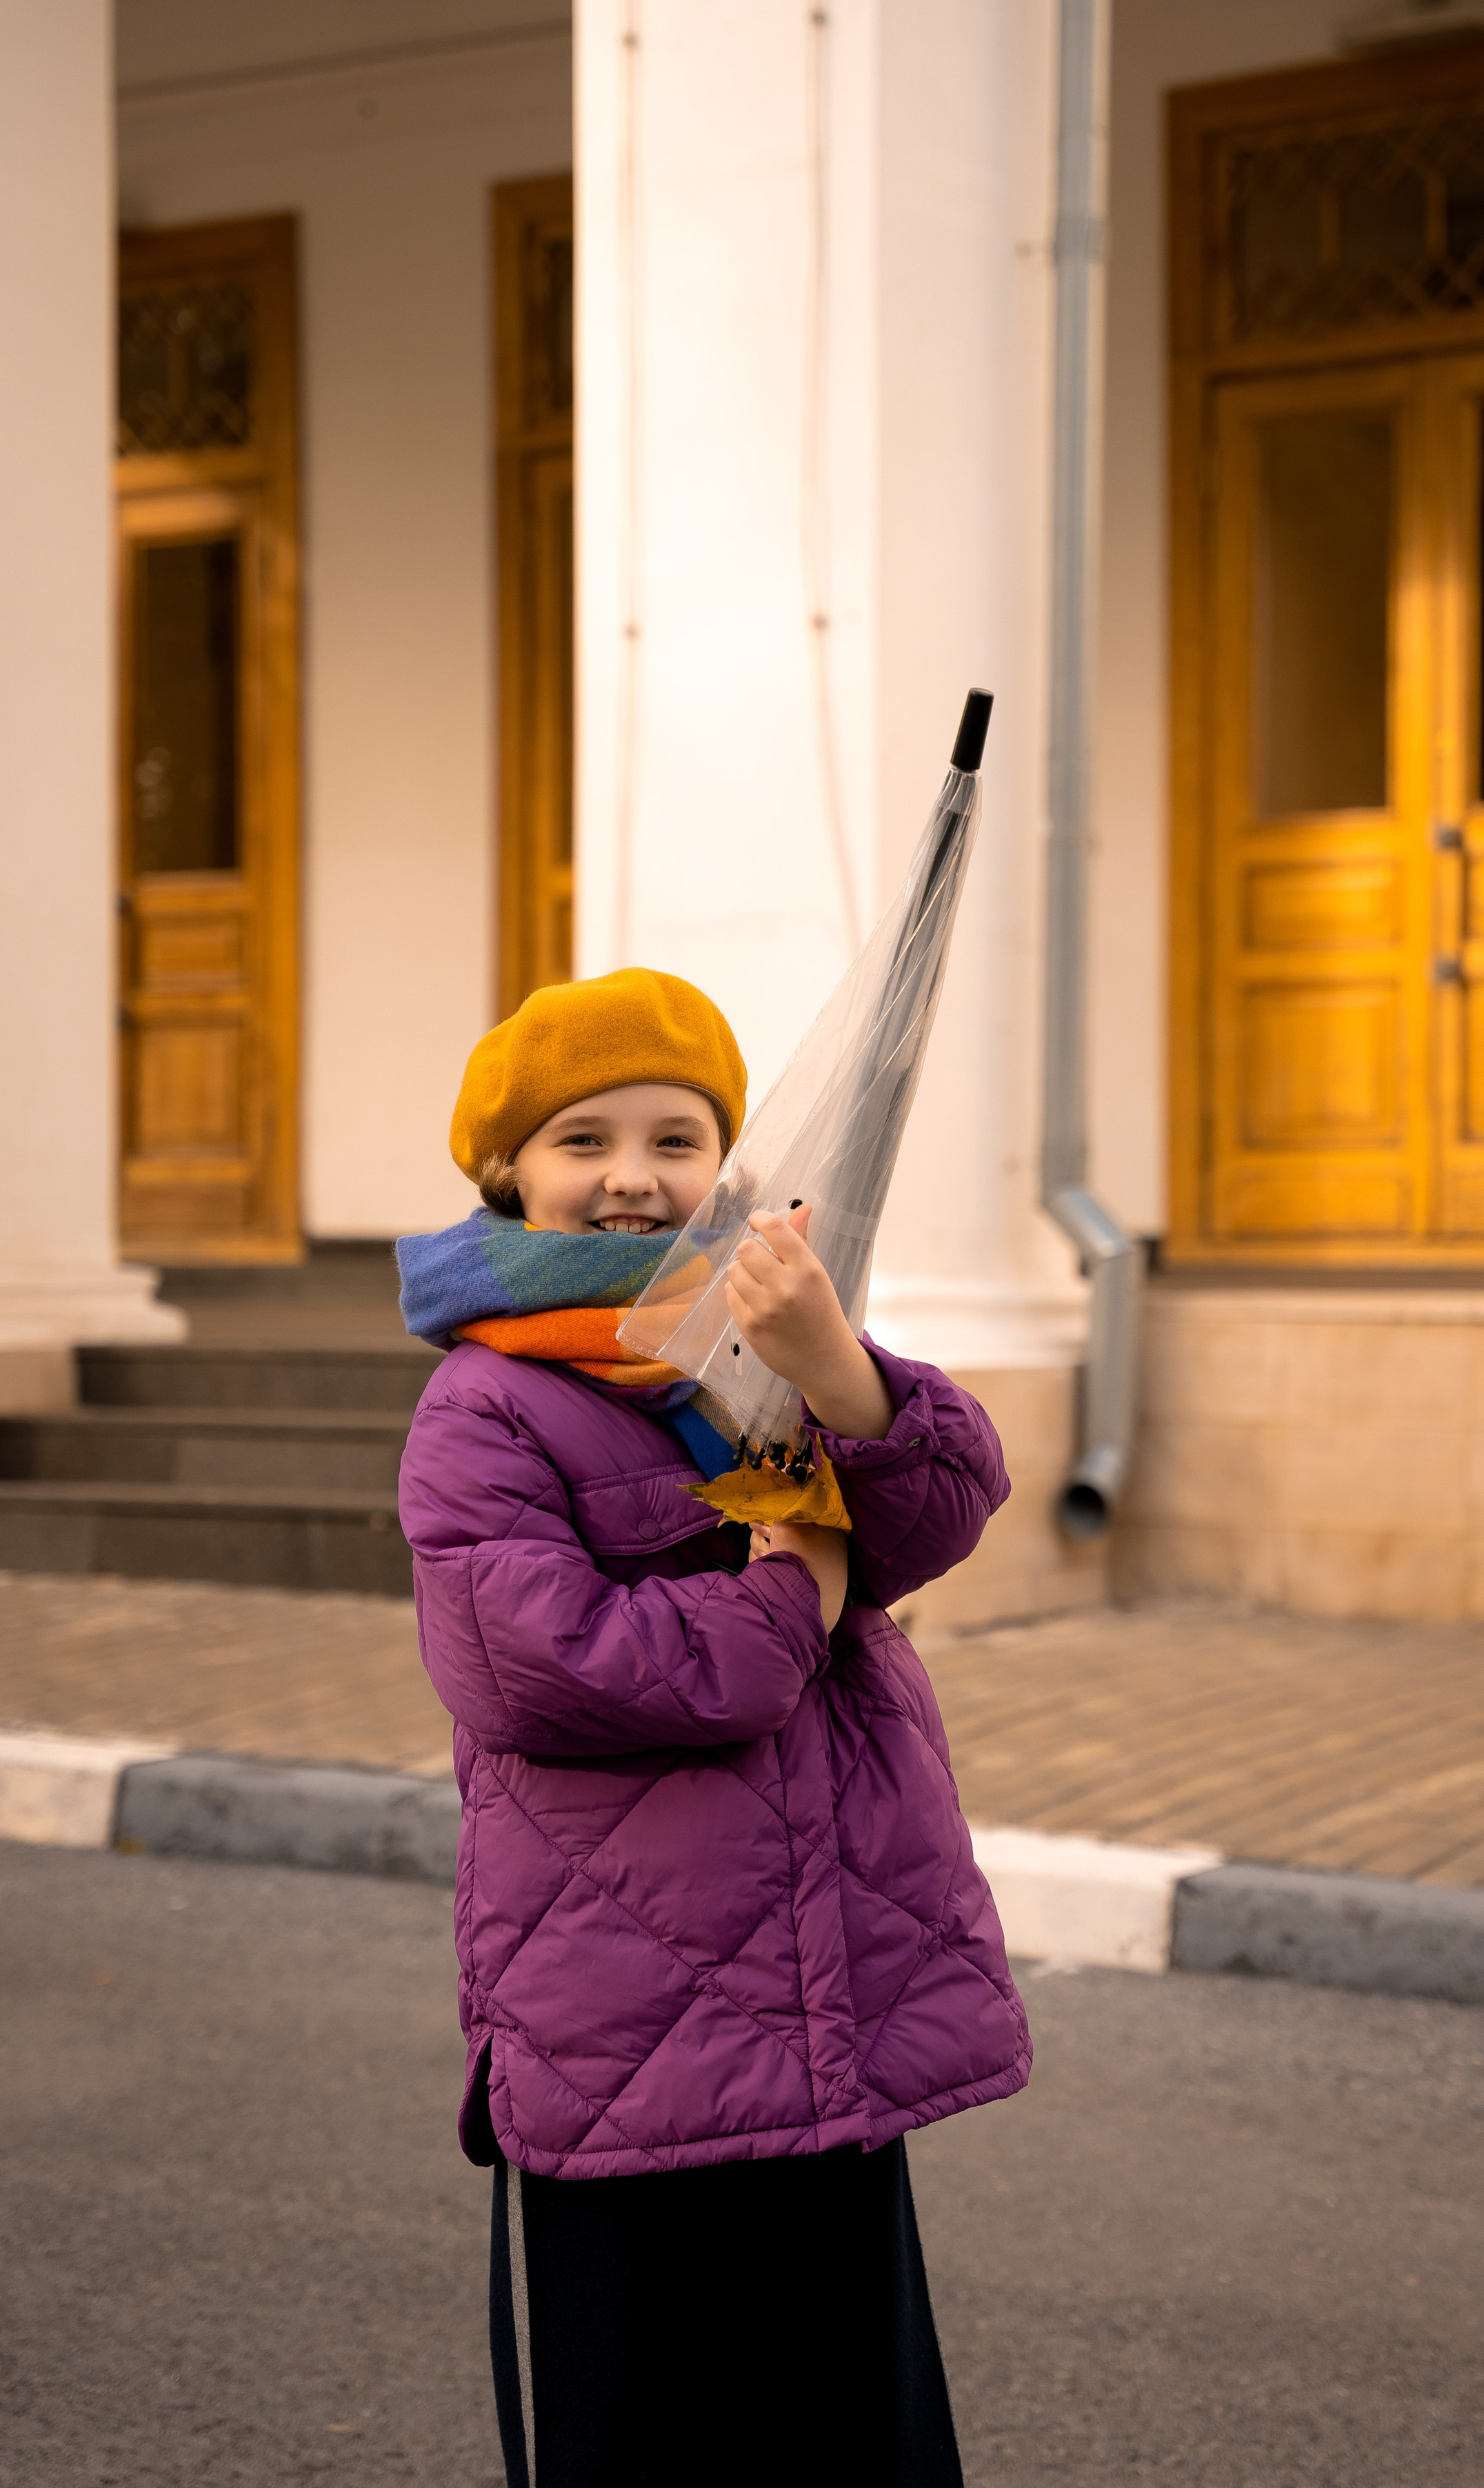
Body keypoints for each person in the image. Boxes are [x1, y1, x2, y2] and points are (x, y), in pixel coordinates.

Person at [395, 966, 1031, 2488]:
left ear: (726, 1165)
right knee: (650, 2440)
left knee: (847, 2432)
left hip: (823, 1995)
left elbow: (941, 1513)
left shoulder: (760, 1338)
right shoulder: (483, 1411)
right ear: (507, 1178)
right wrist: (792, 1600)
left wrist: (840, 1373)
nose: (632, 1175)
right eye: (583, 1140)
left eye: (676, 1139)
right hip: (622, 2030)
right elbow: (557, 1669)